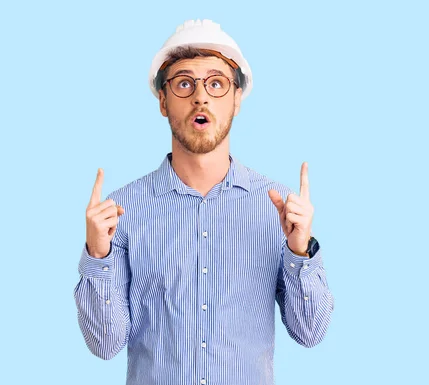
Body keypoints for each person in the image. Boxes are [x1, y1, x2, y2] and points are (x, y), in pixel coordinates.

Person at [74, 19, 334, 385]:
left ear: (236, 99)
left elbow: (311, 332)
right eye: (184, 83)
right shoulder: (121, 213)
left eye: (216, 83)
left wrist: (300, 251)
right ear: (163, 100)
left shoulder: (279, 209)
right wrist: (97, 256)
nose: (201, 97)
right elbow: (104, 344)